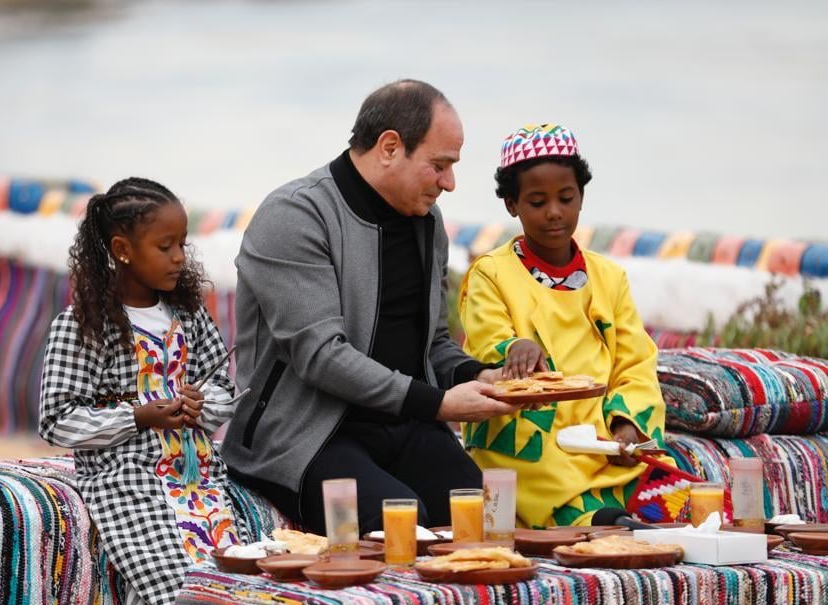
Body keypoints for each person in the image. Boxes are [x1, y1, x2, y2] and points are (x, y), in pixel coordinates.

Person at [220, 80, 518, 536]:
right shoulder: (293, 215)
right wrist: (439, 403)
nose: (449, 183)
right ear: (390, 147)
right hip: (301, 438)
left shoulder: (427, 221)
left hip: (404, 424)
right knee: (403, 528)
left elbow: (433, 343)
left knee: (487, 520)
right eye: (439, 166)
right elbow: (322, 356)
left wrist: (479, 375)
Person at [39, 178, 241, 605]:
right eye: (165, 246)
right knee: (190, 602)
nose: (179, 257)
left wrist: (200, 404)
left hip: (199, 484)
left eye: (182, 244)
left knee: (193, 600)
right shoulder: (83, 326)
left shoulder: (189, 316)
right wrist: (138, 416)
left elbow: (223, 388)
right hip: (127, 487)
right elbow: (56, 419)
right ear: (122, 250)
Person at [458, 123, 667, 529]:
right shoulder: (490, 273)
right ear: (512, 205)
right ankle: (597, 522)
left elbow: (636, 364)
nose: (554, 212)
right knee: (560, 488)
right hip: (530, 441)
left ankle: (621, 518)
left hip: (601, 437)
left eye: (566, 198)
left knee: (664, 482)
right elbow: (485, 341)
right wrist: (513, 347)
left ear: (581, 197)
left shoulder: (609, 277)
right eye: (537, 202)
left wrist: (627, 425)